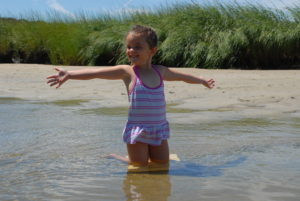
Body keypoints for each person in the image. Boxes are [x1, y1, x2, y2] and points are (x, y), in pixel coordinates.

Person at [47, 25, 215, 168]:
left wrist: (201, 80)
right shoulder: (127, 72)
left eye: (137, 47)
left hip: (158, 129)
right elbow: (96, 73)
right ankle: (117, 157)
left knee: (162, 165)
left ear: (152, 51)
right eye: (129, 46)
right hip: (138, 131)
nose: (131, 51)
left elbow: (182, 77)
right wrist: (69, 74)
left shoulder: (160, 71)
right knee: (139, 167)